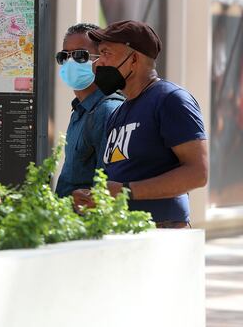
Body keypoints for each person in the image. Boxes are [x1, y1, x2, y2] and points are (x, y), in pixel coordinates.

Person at [72, 20, 209, 228]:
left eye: (107, 53)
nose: (98, 63)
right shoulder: (119, 111)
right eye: (98, 54)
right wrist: (96, 197)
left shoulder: (171, 99)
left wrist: (125, 191)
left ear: (133, 59)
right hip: (126, 235)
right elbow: (120, 179)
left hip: (163, 234)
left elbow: (198, 173)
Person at [54, 23, 123, 197]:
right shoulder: (79, 109)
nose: (70, 62)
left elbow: (106, 187)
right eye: (64, 56)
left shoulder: (107, 111)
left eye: (79, 55)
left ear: (101, 58)